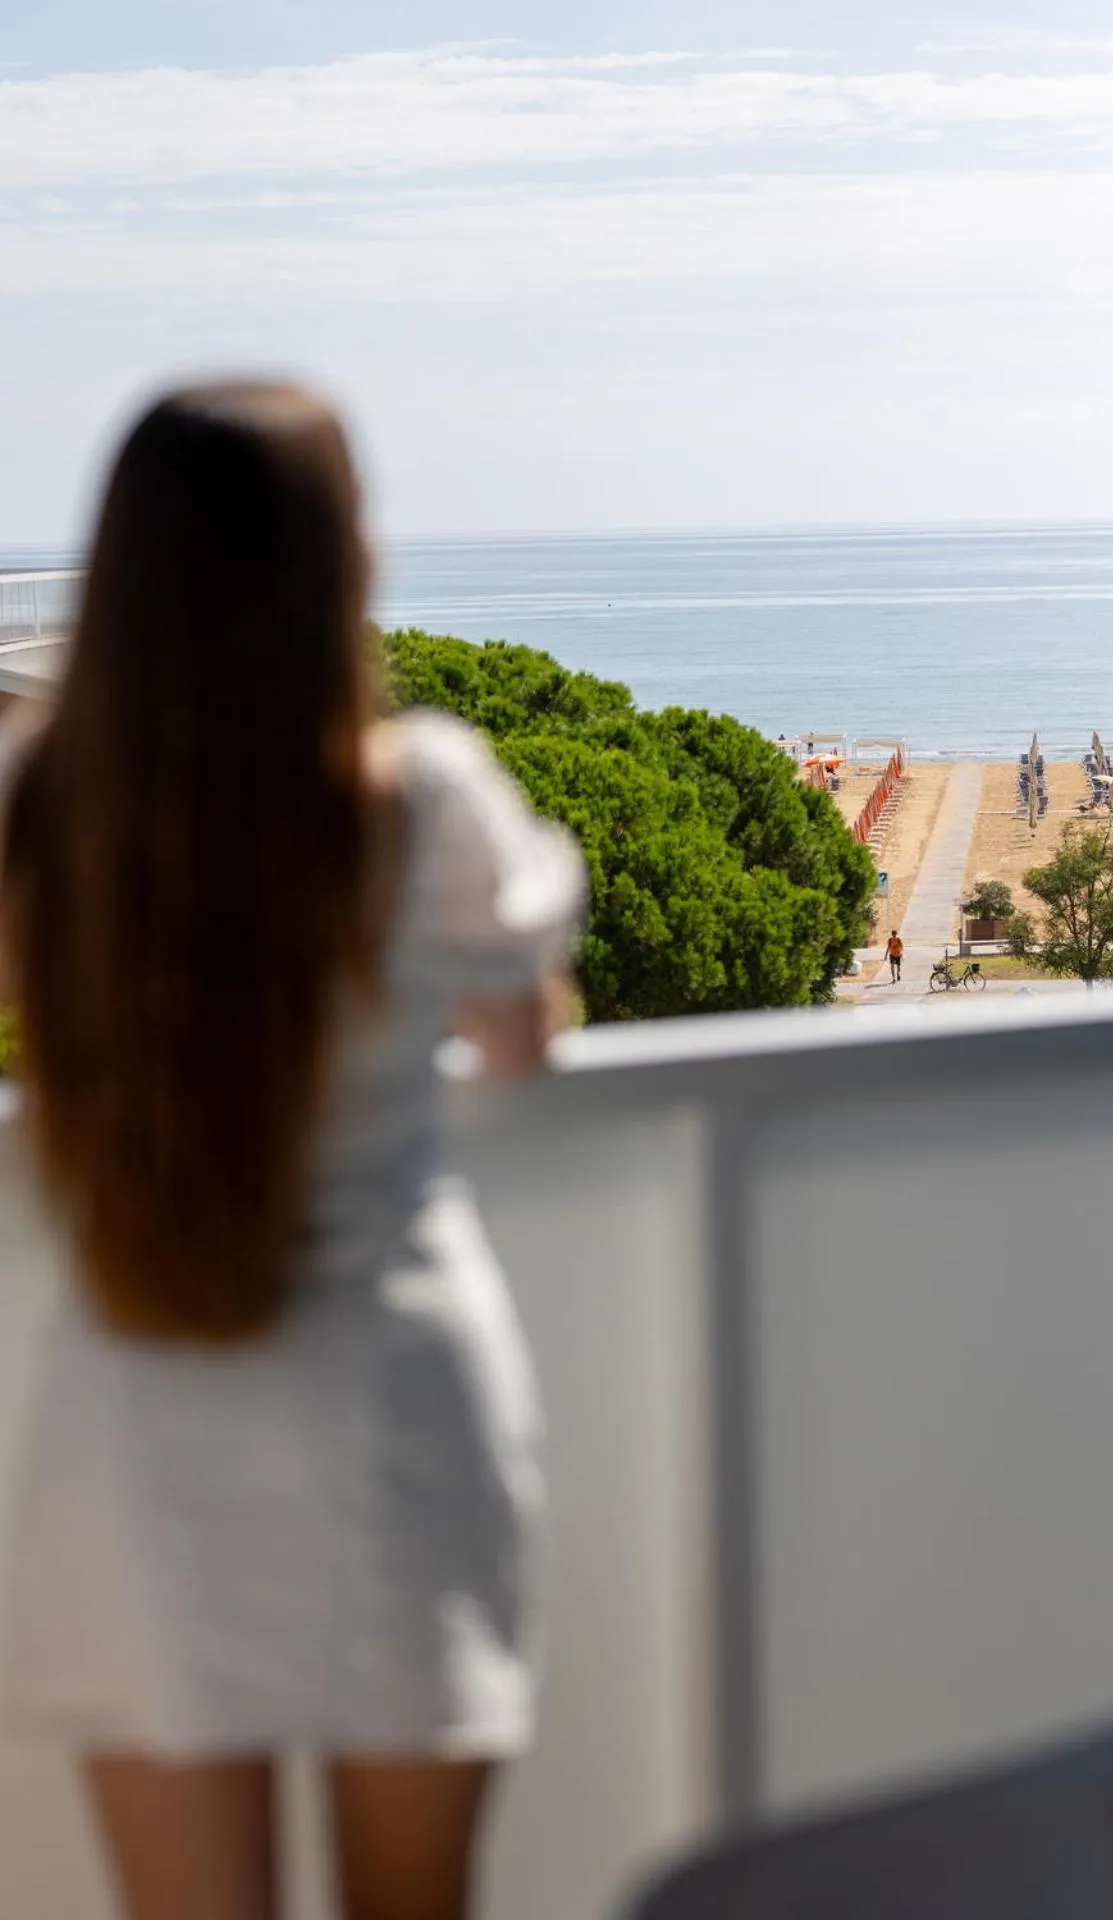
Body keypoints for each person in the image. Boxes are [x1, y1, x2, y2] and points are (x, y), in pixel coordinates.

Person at [0, 383, 584, 1920]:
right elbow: (521, 1043)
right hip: (390, 1398)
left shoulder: (40, 805)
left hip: (140, 1419)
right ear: (341, 562)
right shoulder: (421, 795)